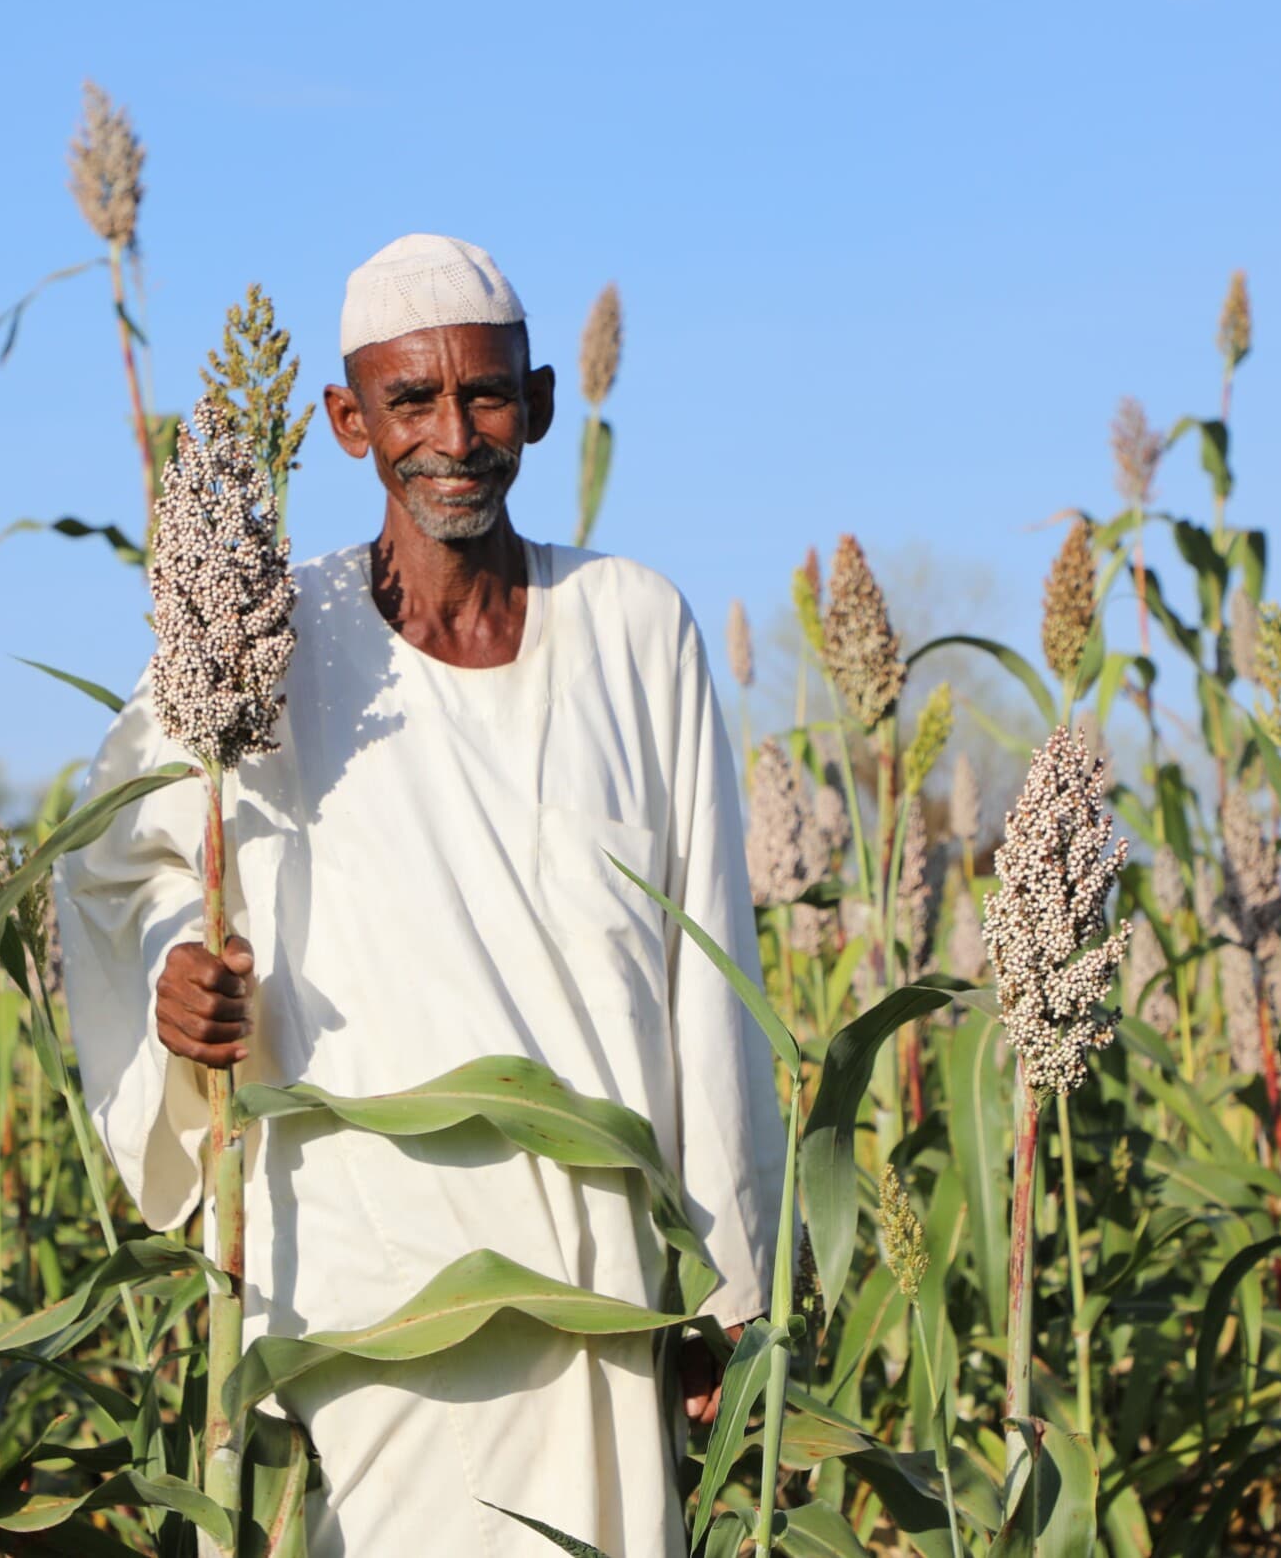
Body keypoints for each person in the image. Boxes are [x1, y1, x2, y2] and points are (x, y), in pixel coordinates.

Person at [63, 233, 784, 1555]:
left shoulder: (635, 625)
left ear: (543, 403)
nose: (453, 435)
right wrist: (182, 972)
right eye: (410, 402)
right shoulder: (266, 636)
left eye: (487, 396)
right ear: (349, 421)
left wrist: (730, 1279)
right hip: (374, 1285)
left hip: (605, 1284)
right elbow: (112, 857)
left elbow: (707, 975)